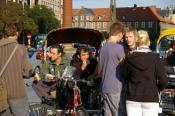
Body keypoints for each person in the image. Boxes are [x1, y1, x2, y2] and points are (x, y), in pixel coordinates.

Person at [122, 30, 168, 116]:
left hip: (133, 96)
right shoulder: (156, 58)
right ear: (148, 42)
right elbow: (164, 80)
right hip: (151, 96)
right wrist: (158, 88)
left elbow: (124, 77)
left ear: (137, 41)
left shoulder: (129, 58)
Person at [0, 21, 33, 116]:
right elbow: (27, 72)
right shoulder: (20, 49)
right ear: (17, 33)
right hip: (17, 93)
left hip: (1, 95)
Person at [98, 21, 125, 116]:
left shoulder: (102, 48)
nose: (122, 38)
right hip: (115, 87)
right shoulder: (119, 48)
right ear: (120, 34)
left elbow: (99, 70)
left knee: (107, 113)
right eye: (122, 36)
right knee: (118, 113)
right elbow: (125, 67)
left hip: (104, 86)